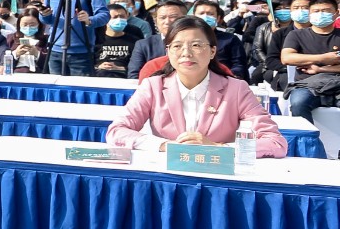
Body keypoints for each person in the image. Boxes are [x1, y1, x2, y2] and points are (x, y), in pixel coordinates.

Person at [106, 16, 286, 157]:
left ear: (212, 51)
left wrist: (218, 148)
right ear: (168, 52)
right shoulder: (153, 86)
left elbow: (275, 142)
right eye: (177, 46)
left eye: (196, 45)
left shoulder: (236, 89)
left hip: (217, 176)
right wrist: (164, 145)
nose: (186, 53)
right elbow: (117, 131)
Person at [281, 0, 340, 121]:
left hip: (337, 83)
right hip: (306, 84)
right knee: (298, 103)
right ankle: (308, 134)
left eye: (325, 11)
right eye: (316, 11)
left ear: (336, 13)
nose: (320, 14)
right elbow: (287, 58)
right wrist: (323, 58)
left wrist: (321, 69)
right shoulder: (296, 35)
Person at [250, 0, 296, 88]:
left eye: (287, 8)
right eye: (279, 8)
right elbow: (258, 49)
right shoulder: (263, 28)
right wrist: (268, 63)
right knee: (256, 75)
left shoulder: (297, 28)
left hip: (292, 65)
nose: (283, 11)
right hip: (267, 65)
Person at [94, 2, 143, 78]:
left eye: (122, 16)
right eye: (115, 17)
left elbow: (140, 65)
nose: (119, 19)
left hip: (125, 78)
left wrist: (120, 68)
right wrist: (98, 67)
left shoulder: (135, 42)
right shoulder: (95, 40)